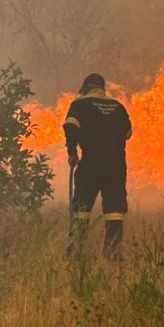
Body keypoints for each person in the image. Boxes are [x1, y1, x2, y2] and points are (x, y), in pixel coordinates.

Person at [63, 72, 131, 258]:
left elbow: (70, 126)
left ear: (85, 88)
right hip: (116, 167)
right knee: (114, 210)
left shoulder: (79, 105)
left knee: (82, 208)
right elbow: (128, 133)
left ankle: (76, 250)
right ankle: (112, 253)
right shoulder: (118, 107)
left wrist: (71, 152)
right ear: (102, 89)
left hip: (91, 164)